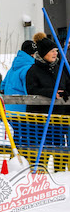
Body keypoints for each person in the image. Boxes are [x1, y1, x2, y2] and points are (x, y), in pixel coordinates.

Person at [25, 32, 69, 171]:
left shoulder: (61, 68)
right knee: (41, 149)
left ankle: (60, 172)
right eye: (52, 51)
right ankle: (39, 173)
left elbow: (67, 85)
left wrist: (66, 93)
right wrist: (51, 93)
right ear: (44, 53)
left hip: (60, 117)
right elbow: (32, 90)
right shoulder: (33, 71)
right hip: (40, 118)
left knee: (59, 148)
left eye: (56, 50)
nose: (55, 53)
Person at [0, 40, 37, 113]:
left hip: (8, 110)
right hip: (23, 111)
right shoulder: (29, 69)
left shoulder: (13, 68)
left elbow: (3, 86)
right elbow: (29, 90)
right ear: (33, 54)